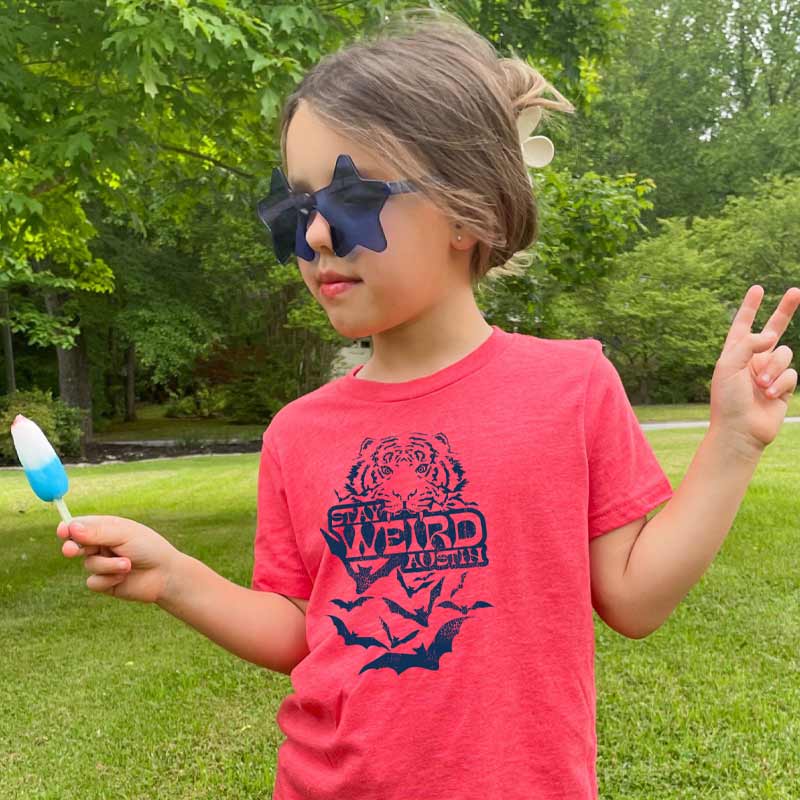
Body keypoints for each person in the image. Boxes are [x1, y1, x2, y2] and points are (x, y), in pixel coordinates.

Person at [56, 7, 800, 800]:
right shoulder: (297, 434)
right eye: (298, 206)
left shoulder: (571, 386)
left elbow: (634, 598)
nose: (316, 237)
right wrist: (175, 578)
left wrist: (731, 443)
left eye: (351, 196)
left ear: (469, 208)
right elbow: (306, 628)